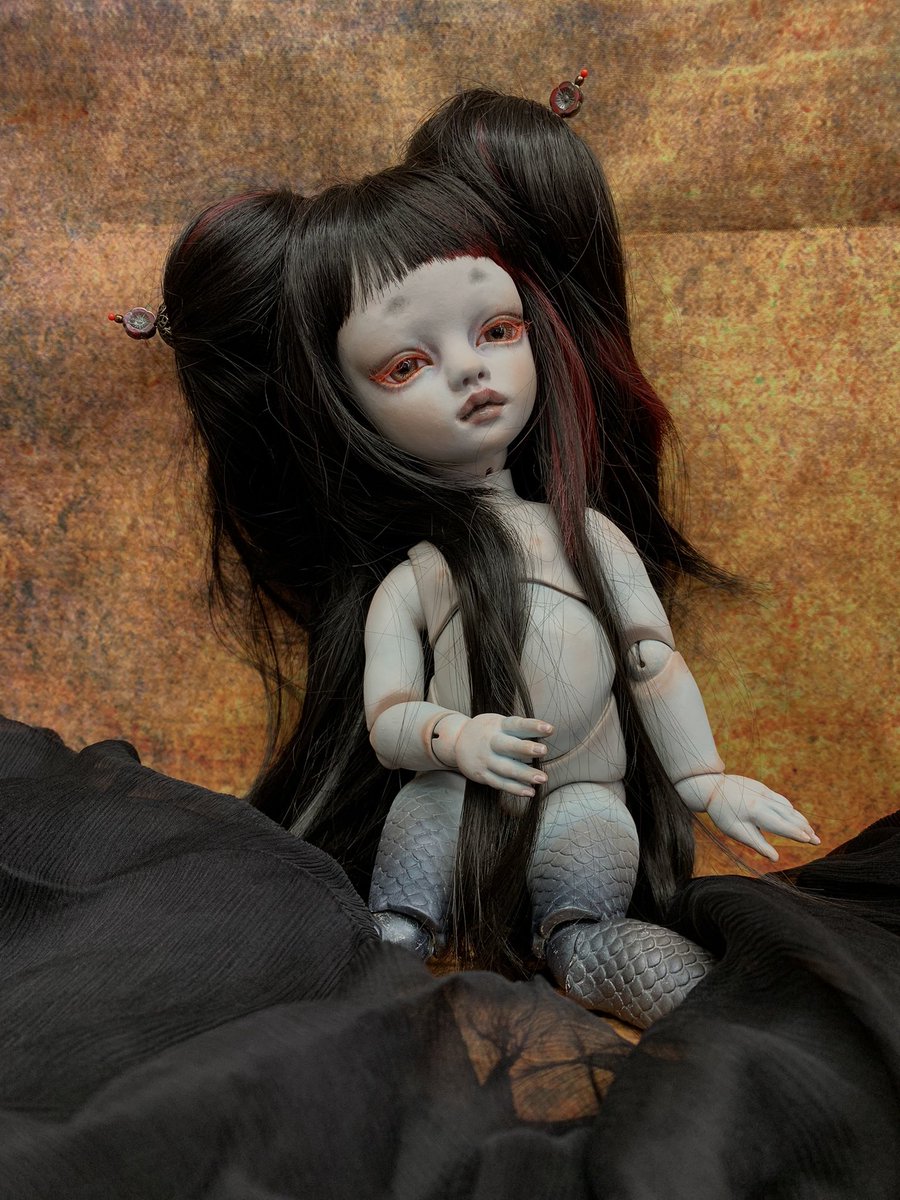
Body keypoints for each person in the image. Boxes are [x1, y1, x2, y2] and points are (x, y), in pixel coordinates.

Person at [116, 85, 817, 1027]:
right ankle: (387, 959)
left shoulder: (590, 537)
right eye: (406, 365)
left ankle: (607, 959)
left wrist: (704, 781)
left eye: (496, 331)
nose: (471, 372)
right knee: (401, 910)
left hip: (585, 796)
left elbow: (650, 659)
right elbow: (389, 718)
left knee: (589, 913)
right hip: (446, 797)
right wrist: (456, 739)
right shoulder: (416, 578)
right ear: (342, 406)